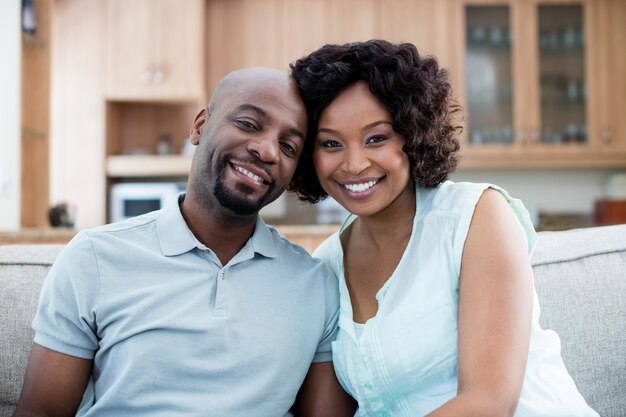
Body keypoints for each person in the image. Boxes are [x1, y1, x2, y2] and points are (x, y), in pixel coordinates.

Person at [13, 68, 355, 417]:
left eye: (288, 146)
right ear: (199, 125)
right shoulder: (93, 258)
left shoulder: (315, 285)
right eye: (249, 124)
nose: (267, 150)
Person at [289, 40, 599, 417]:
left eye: (376, 138)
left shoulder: (476, 216)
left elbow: (488, 403)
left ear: (412, 133)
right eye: (331, 143)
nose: (354, 164)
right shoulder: (326, 266)